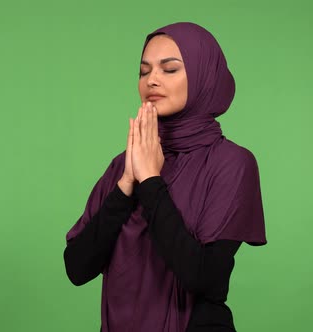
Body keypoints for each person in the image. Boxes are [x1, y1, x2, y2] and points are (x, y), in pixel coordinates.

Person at [63, 22, 267, 332]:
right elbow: (77, 268)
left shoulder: (232, 163)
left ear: (203, 78)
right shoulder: (125, 163)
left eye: (169, 69)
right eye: (144, 71)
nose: (151, 80)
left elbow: (204, 278)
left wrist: (150, 182)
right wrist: (125, 186)